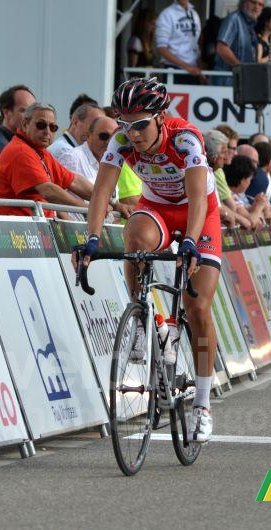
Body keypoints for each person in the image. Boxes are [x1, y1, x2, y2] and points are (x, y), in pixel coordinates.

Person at [75, 78, 221, 443]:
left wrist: (189, 240)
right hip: (156, 208)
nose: (132, 133)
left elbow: (199, 197)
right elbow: (102, 192)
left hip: (198, 211)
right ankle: (145, 319)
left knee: (198, 305)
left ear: (160, 117)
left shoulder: (185, 139)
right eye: (124, 124)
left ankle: (202, 404)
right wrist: (91, 238)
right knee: (135, 238)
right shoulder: (123, 141)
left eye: (140, 124)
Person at [0, 103, 107, 219]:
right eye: (41, 125)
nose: (47, 131)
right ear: (25, 124)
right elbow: (48, 191)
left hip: (34, 228)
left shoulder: (41, 151)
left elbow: (74, 181)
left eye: (52, 127)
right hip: (15, 231)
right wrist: (86, 207)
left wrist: (109, 201)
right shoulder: (20, 150)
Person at [0, 85, 36, 197]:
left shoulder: (18, 144)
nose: (31, 117)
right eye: (24, 110)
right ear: (7, 113)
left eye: (33, 111)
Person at [213, 0, 264, 86]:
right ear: (244, 2)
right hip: (226, 80)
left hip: (240, 81)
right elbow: (221, 48)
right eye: (253, 2)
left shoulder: (250, 24)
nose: (257, 7)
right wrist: (240, 68)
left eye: (260, 4)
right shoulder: (234, 19)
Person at [155, 0, 203, 84]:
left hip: (194, 70)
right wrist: (187, 67)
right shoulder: (167, 14)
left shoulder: (194, 14)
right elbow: (161, 48)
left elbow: (196, 46)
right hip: (173, 70)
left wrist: (200, 70)